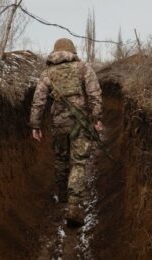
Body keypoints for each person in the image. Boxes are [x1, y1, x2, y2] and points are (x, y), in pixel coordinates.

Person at [29, 38, 103, 227]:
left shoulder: (48, 73)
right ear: (72, 51)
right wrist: (97, 119)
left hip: (59, 124)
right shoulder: (83, 68)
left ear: (55, 51)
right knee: (78, 163)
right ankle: (73, 206)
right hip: (80, 123)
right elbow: (94, 94)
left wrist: (35, 126)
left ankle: (62, 197)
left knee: (61, 160)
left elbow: (39, 101)